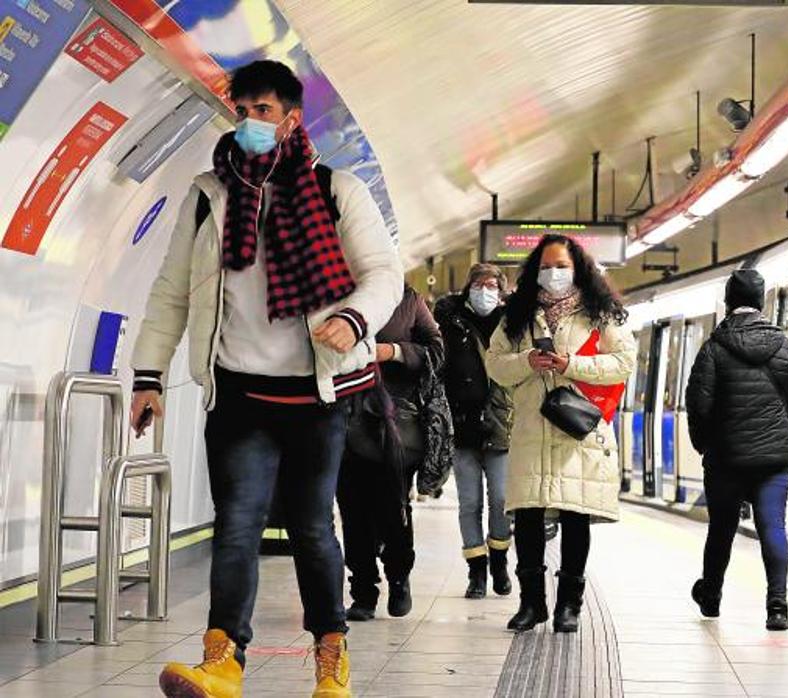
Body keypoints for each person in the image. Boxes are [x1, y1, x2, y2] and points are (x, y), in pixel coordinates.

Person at [129, 60, 402, 698]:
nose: (250, 123)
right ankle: (223, 662)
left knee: (311, 529)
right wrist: (148, 375)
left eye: (264, 112)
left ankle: (331, 660)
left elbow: (383, 273)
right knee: (237, 525)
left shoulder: (337, 190)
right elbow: (173, 290)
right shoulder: (210, 195)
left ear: (292, 119)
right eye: (242, 110)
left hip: (315, 396)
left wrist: (355, 320)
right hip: (239, 393)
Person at [484, 235, 636, 633]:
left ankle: (570, 606)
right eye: (547, 266)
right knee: (528, 518)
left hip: (578, 431)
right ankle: (531, 604)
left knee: (575, 516)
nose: (554, 274)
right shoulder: (516, 314)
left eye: (562, 266)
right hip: (533, 429)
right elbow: (495, 365)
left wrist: (572, 364)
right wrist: (526, 361)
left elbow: (623, 362)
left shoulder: (600, 314)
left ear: (578, 269)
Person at [685, 269, 788, 631]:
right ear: (761, 302)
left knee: (721, 529)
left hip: (727, 459)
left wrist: (705, 445)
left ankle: (711, 597)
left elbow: (699, 404)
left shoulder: (714, 347)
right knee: (773, 527)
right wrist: (783, 436)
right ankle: (778, 607)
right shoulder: (785, 346)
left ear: (728, 302)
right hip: (773, 460)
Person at [337, 285, 448, 621]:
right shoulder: (335, 293)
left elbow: (436, 350)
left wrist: (393, 351)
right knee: (353, 511)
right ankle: (363, 591)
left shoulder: (406, 299)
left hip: (396, 423)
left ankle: (399, 577)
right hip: (342, 417)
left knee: (392, 506)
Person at [435, 264, 515, 599]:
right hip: (462, 425)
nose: (485, 290)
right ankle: (476, 572)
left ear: (501, 289)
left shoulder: (512, 322)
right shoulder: (450, 323)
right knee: (469, 503)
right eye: (479, 284)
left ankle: (499, 560)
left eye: (492, 284)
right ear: (468, 287)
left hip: (500, 424)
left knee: (500, 499)